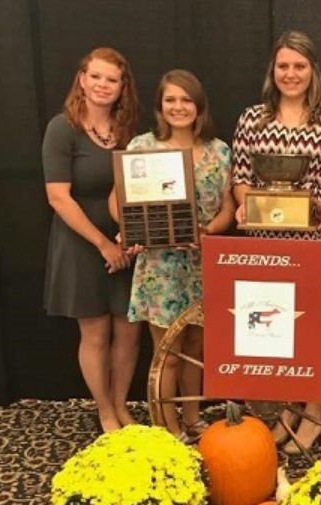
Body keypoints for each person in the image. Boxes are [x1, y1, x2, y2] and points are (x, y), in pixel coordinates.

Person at [232, 30, 321, 454]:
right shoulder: (253, 119)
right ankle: (287, 409)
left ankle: (315, 413)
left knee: (319, 330)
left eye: (299, 66)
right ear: (273, 70)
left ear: (312, 70)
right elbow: (240, 179)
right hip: (266, 240)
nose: (291, 74)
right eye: (283, 66)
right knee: (278, 328)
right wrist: (249, 205)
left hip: (319, 240)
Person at [122, 69, 235, 440]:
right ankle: (166, 427)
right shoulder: (141, 148)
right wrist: (131, 229)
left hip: (202, 263)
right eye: (170, 99)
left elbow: (228, 209)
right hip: (160, 267)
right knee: (168, 351)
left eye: (186, 99)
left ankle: (191, 417)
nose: (178, 107)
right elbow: (117, 201)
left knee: (197, 348)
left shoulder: (219, 152)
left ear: (198, 106)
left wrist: (208, 233)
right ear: (160, 106)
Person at [42, 47, 141, 433]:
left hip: (126, 241)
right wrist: (104, 245)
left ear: (122, 87)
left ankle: (121, 405)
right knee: (97, 331)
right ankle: (104, 412)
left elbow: (139, 189)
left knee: (130, 330)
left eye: (111, 79)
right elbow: (57, 197)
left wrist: (132, 237)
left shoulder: (129, 131)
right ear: (82, 79)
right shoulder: (61, 128)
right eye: (95, 76)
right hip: (82, 244)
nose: (102, 85)